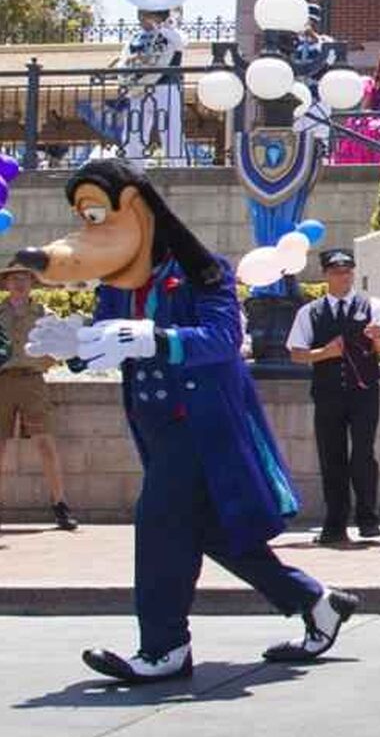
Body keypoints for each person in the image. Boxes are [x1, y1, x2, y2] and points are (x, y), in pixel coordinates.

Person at [18, 159, 358, 683]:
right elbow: (108, 341)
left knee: (159, 524)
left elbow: (222, 341)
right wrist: (76, 346)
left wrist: (154, 338)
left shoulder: (203, 270)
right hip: (155, 426)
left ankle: (164, 646)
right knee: (215, 532)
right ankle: (316, 601)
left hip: (200, 424)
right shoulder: (117, 282)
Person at [287, 249, 380, 544]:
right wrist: (324, 353)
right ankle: (335, 523)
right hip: (327, 393)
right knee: (331, 456)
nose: (343, 277)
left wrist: (377, 338)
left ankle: (367, 518)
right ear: (326, 275)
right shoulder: (310, 312)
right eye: (336, 272)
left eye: (347, 271)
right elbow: (296, 353)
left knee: (363, 454)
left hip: (364, 392)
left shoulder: (374, 306)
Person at [0, 266, 77, 531]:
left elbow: (62, 345)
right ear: (6, 283)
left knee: (45, 444)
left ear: (32, 283)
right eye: (14, 278)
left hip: (33, 381)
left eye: (24, 278)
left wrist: (48, 361)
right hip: (2, 381)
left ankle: (60, 505)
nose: (19, 283)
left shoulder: (45, 314)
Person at [115, 8, 187, 164]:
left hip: (165, 87)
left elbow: (180, 43)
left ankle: (177, 167)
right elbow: (124, 60)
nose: (143, 19)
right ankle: (133, 166)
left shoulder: (173, 34)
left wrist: (161, 26)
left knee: (170, 128)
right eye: (141, 15)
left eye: (147, 15)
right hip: (138, 88)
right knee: (134, 130)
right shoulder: (134, 38)